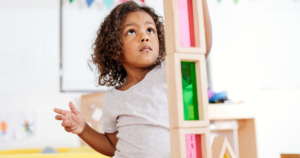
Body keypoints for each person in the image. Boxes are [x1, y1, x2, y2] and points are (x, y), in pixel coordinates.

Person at [54, 1, 212, 157]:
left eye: (150, 29)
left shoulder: (169, 71)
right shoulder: (113, 98)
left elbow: (200, 46)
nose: (144, 36)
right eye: (131, 31)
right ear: (115, 47)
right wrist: (84, 129)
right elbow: (112, 146)